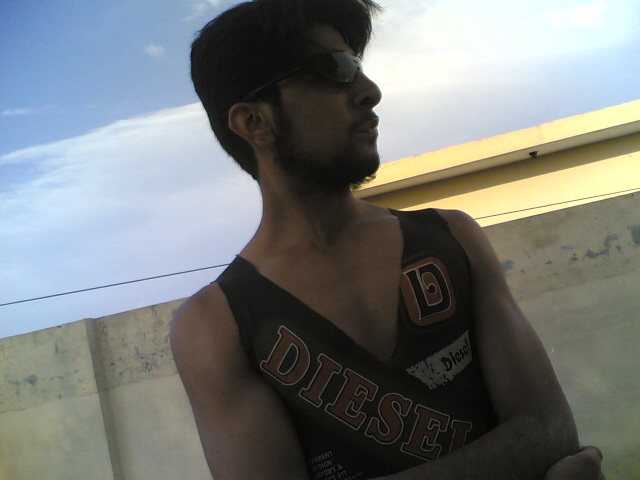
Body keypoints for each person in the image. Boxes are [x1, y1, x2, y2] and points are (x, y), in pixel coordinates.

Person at [170, 1, 605, 479]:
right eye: (335, 69)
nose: (370, 91)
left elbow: (548, 429)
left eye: (359, 68)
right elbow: (542, 448)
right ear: (254, 121)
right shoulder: (215, 325)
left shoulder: (454, 237)